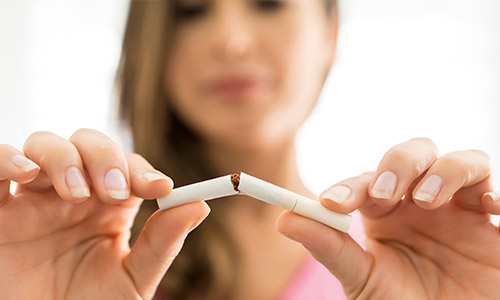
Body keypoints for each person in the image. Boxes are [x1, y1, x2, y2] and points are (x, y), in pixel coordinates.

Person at [1, 0, 499, 299]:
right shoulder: (87, 257)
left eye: (267, 2)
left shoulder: (409, 263)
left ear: (329, 33)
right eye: (191, 10)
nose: (233, 42)